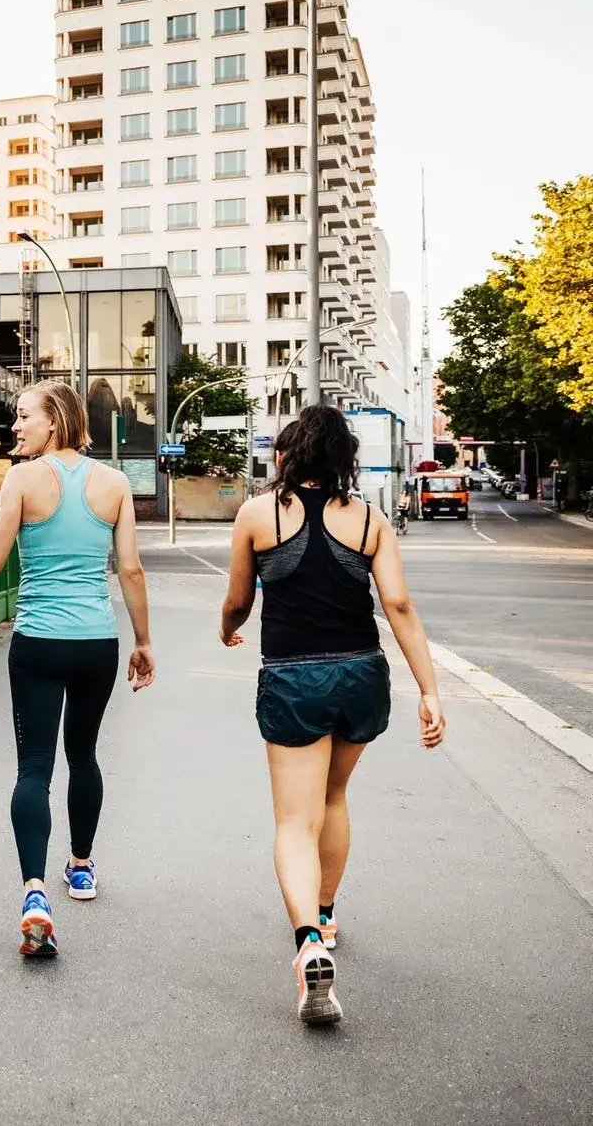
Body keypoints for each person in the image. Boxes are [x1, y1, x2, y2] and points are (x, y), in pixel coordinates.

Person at [220, 404, 446, 1026]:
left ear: (287, 458)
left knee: (296, 822)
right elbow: (397, 604)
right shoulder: (371, 520)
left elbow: (239, 600)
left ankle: (307, 945)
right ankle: (325, 913)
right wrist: (429, 691)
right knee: (335, 799)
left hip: (294, 678)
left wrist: (226, 629)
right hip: (361, 675)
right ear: (344, 459)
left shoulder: (258, 514)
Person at [0, 379, 154, 959]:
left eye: (23, 417)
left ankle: (35, 894)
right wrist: (143, 641)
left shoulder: (20, 480)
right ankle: (82, 867)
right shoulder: (115, 484)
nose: (15, 427)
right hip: (96, 640)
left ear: (55, 420)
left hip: (38, 642)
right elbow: (131, 571)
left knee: (34, 767)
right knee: (84, 755)